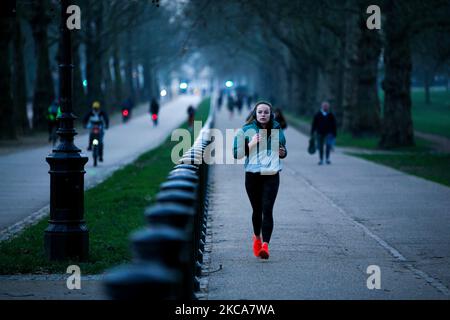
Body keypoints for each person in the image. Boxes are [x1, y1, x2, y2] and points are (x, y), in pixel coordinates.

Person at [233, 101, 287, 260]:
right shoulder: (245, 130)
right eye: (260, 112)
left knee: (267, 209)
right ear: (255, 114)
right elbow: (237, 154)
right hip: (252, 175)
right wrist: (251, 143)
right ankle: (257, 237)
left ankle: (265, 246)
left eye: (266, 112)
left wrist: (283, 152)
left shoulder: (277, 129)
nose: (263, 115)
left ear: (271, 114)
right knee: (257, 210)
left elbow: (283, 150)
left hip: (272, 174)